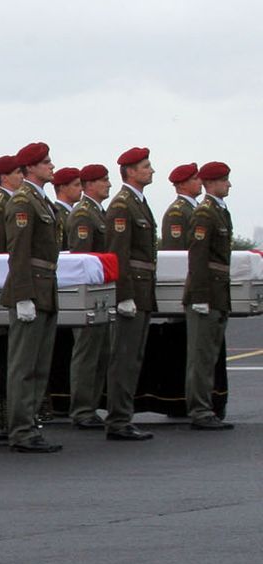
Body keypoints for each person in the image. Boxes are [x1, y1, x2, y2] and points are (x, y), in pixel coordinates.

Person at [0, 141, 62, 453]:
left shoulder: (41, 200)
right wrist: (23, 296)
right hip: (32, 289)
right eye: (46, 162)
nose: (52, 166)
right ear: (31, 168)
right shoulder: (24, 201)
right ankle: (21, 429)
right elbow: (19, 252)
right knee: (24, 365)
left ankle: (31, 424)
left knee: (39, 364)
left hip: (45, 286)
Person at [103, 147, 158, 442]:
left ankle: (123, 416)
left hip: (142, 287)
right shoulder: (123, 205)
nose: (151, 170)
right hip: (132, 288)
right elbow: (117, 253)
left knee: (133, 357)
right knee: (123, 357)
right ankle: (118, 420)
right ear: (130, 172)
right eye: (146, 166)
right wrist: (123, 293)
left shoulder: (138, 203)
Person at [183, 161, 236, 431]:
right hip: (206, 293)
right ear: (211, 183)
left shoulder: (219, 211)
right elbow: (198, 257)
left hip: (217, 292)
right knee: (201, 357)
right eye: (225, 180)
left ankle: (205, 407)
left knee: (210, 355)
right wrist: (200, 296)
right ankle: (199, 410)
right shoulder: (205, 213)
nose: (229, 184)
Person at [63, 163, 113, 429]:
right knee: (87, 353)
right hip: (89, 294)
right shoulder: (84, 215)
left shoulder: (98, 212)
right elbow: (82, 258)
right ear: (89, 185)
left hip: (101, 293)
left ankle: (90, 406)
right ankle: (82, 409)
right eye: (103, 180)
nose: (109, 184)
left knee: (100, 352)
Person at [162, 163, 202, 249]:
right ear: (182, 185)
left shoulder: (198, 207)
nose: (200, 182)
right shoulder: (177, 212)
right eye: (195, 179)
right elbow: (175, 247)